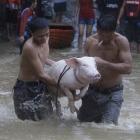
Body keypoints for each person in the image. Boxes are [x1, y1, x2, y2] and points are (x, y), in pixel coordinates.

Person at [77, 14, 132, 125]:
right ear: (98, 30)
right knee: (82, 124)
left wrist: (104, 63)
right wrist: (77, 90)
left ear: (114, 31)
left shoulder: (121, 41)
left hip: (113, 92)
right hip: (92, 91)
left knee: (108, 128)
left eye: (108, 36)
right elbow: (81, 68)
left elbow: (128, 68)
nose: (104, 39)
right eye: (101, 34)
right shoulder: (90, 42)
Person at [13, 17, 56, 121]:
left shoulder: (45, 39)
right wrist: (60, 83)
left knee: (48, 118)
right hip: (25, 89)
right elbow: (41, 75)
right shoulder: (29, 47)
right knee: (28, 124)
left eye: (47, 34)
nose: (45, 38)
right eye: (40, 36)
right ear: (32, 34)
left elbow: (42, 58)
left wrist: (61, 65)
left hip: (40, 85)